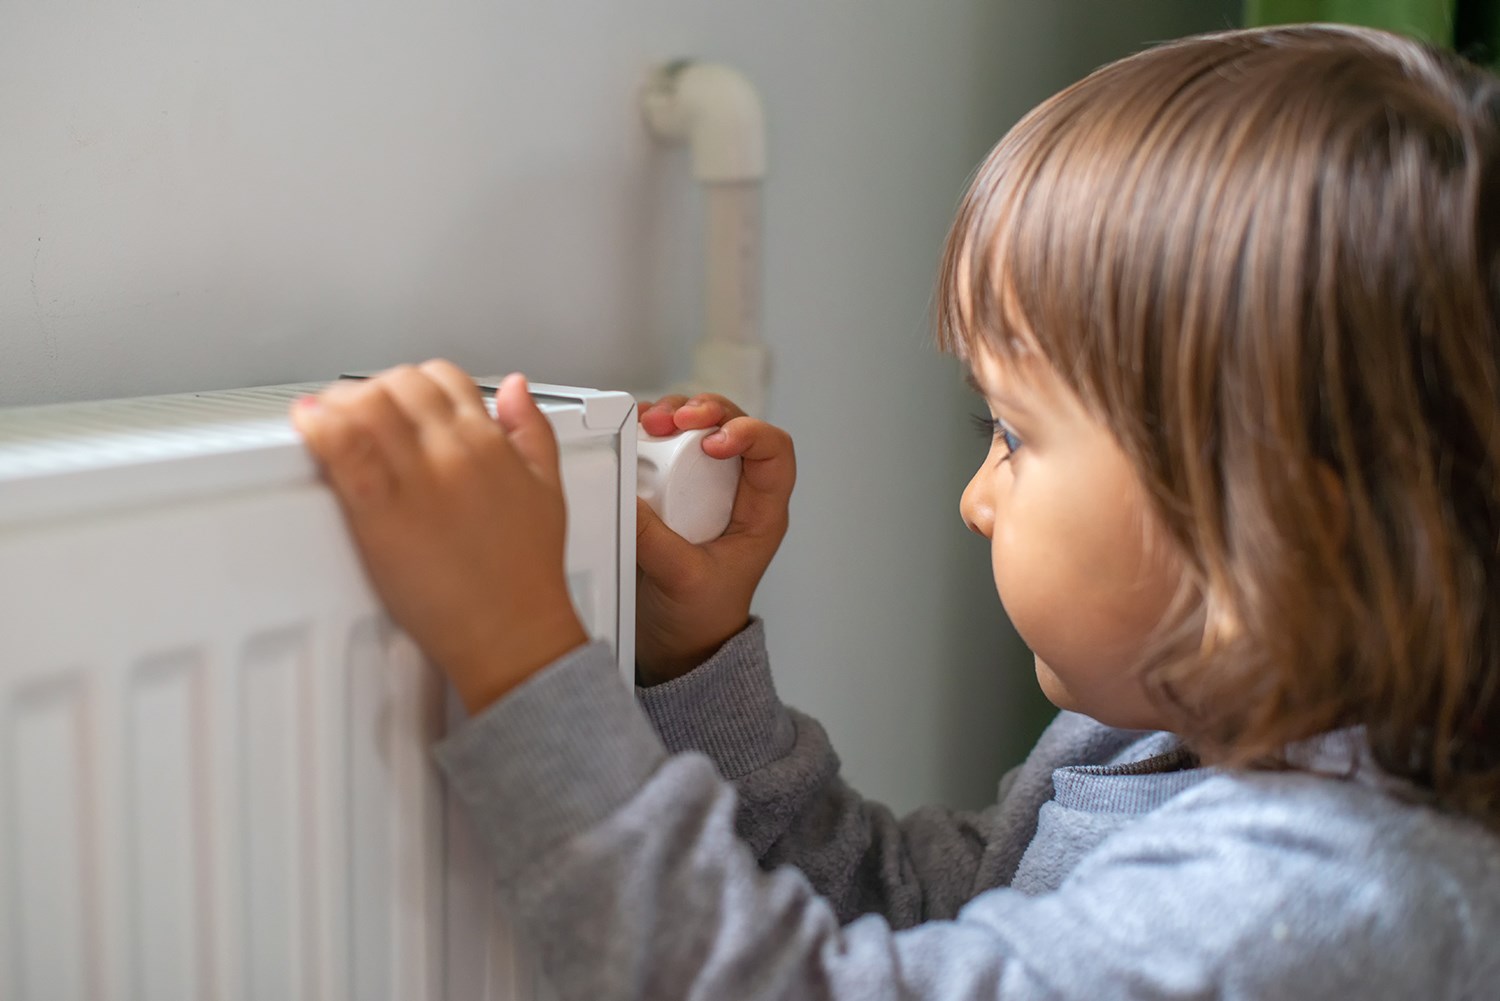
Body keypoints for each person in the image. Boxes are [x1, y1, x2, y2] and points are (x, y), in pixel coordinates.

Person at [292, 24, 1500, 1000]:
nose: (976, 500)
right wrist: (700, 660)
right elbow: (927, 923)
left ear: (1275, 528)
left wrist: (520, 659)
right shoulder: (1174, 749)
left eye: (1015, 434)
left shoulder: (1312, 914)